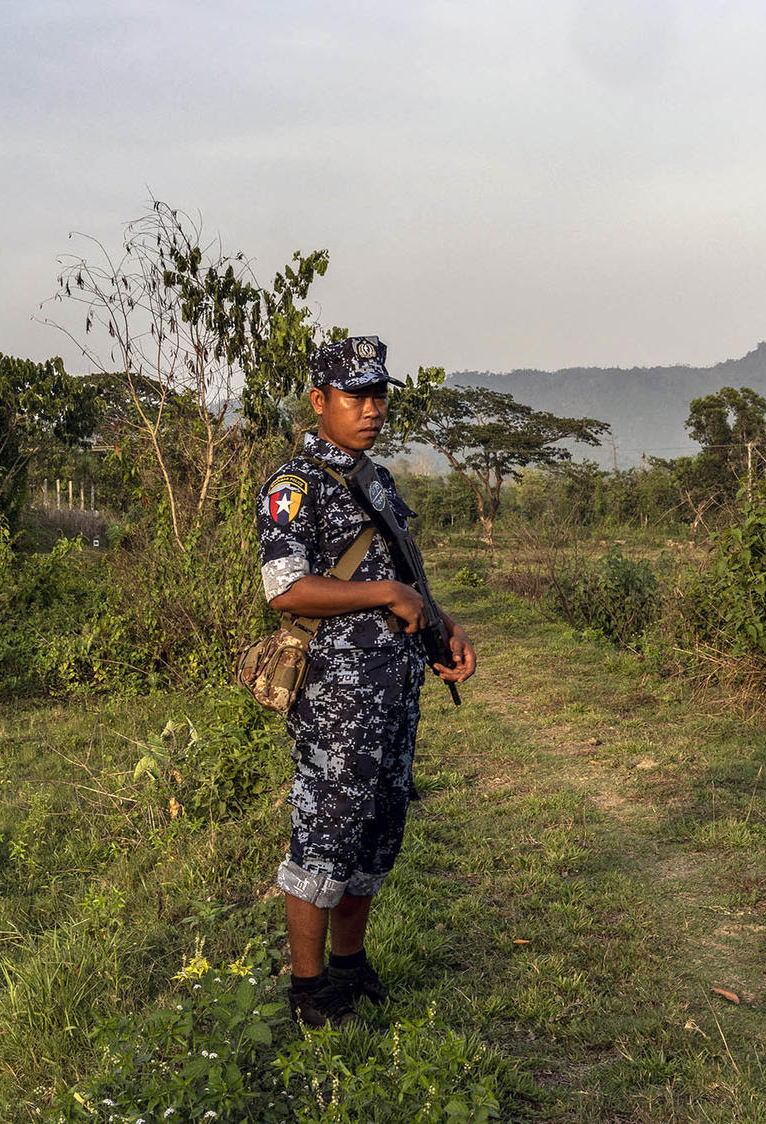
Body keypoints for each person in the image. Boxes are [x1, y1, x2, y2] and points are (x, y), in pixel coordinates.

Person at [256, 335, 478, 1028]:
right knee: (325, 833)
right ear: (319, 400)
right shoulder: (293, 485)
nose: (371, 408)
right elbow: (286, 590)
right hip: (335, 693)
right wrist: (384, 594)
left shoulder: (377, 479)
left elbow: (405, 575)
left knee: (377, 832)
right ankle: (310, 988)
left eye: (378, 395)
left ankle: (351, 967)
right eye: (356, 395)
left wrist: (440, 623)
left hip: (393, 687)